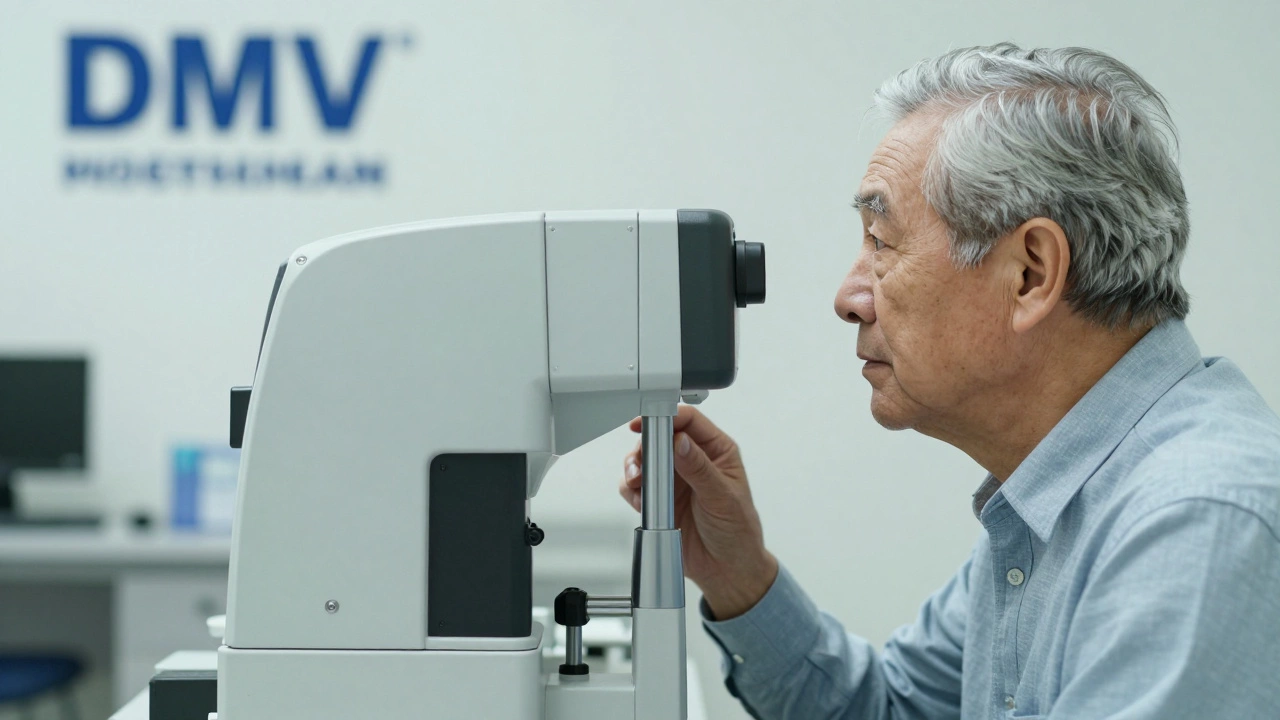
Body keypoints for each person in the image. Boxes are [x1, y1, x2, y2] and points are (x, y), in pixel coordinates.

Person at [620, 43, 1280, 718]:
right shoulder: (1049, 499)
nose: (848, 297)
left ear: (1030, 273)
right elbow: (891, 709)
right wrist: (740, 577)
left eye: (882, 241)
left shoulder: (1194, 523)